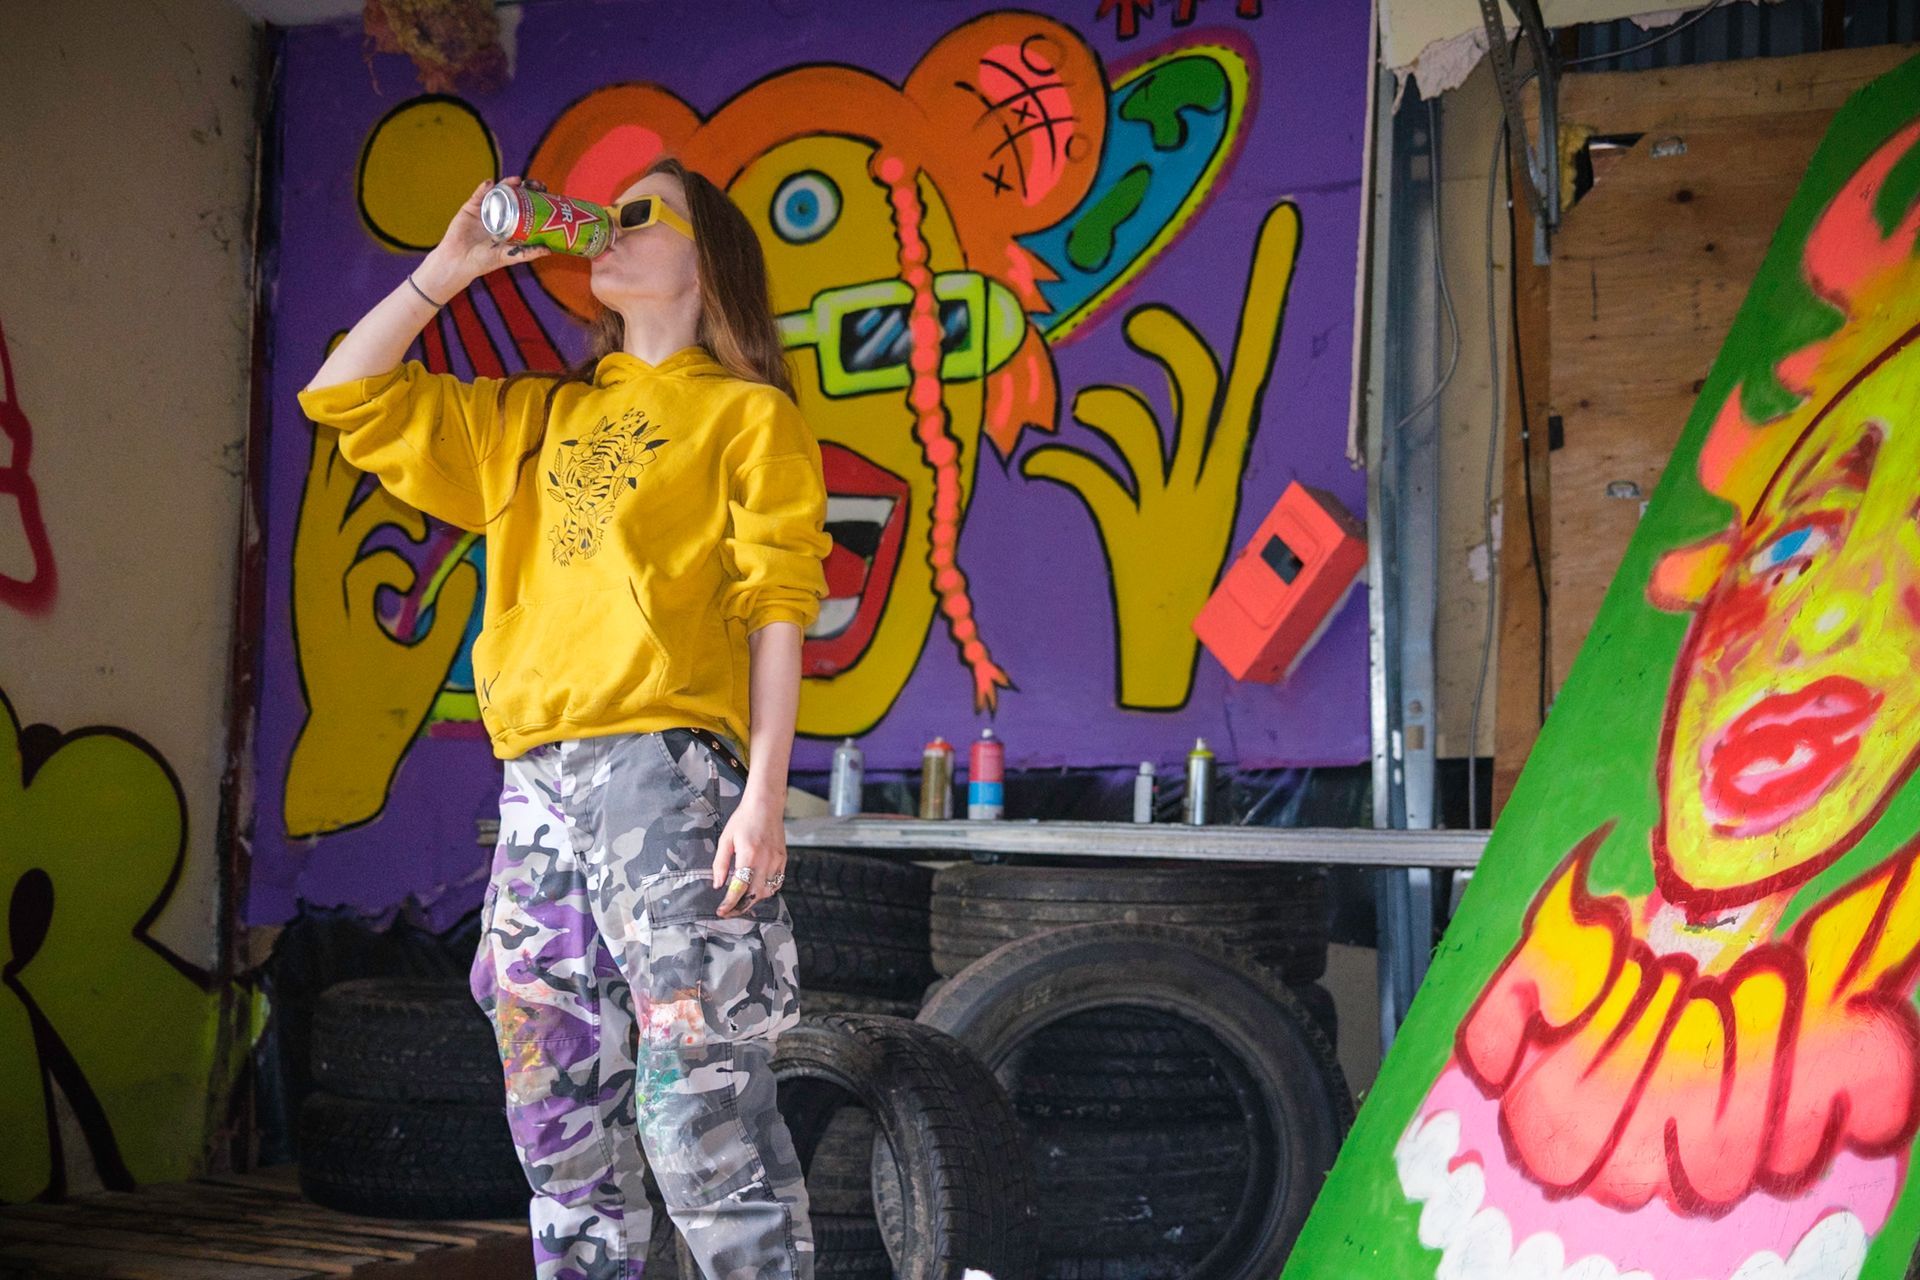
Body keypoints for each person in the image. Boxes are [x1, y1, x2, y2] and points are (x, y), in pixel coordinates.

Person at [298, 158, 830, 1280]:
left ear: (709, 261)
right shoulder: (531, 418)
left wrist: (764, 796)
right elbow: (342, 392)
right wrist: (449, 269)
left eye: (643, 215)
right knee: (554, 1115)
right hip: (535, 783)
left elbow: (782, 606)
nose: (608, 229)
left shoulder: (747, 414)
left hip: (667, 771)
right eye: (605, 212)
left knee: (701, 1108)